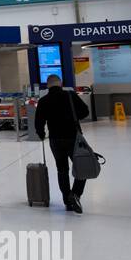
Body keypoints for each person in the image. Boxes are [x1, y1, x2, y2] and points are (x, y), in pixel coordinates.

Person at [34, 74, 90, 214]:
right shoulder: (70, 95)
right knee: (82, 167)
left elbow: (38, 122)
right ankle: (75, 195)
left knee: (62, 169)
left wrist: (41, 134)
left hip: (55, 140)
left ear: (48, 85)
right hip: (73, 138)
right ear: (61, 83)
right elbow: (85, 111)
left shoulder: (44, 101)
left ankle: (67, 199)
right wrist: (73, 118)